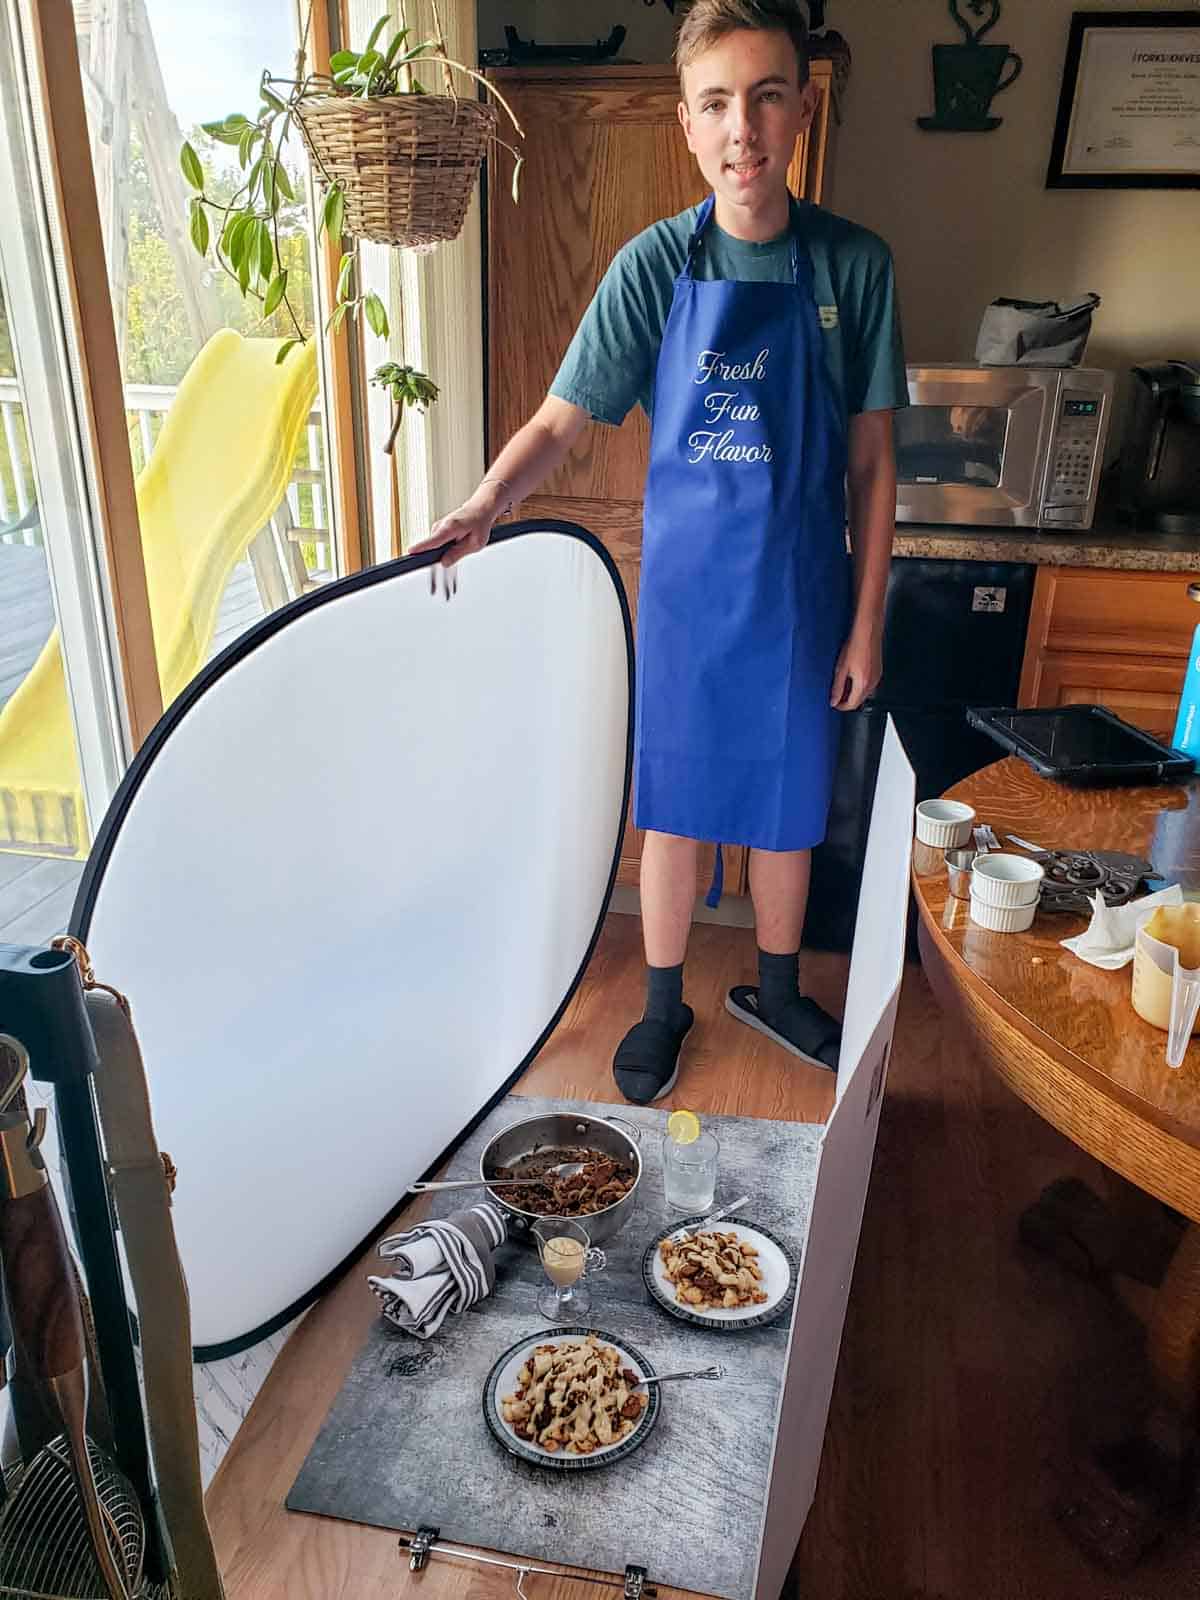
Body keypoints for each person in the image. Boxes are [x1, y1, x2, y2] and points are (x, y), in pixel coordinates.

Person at [408, 0, 907, 1105]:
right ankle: (664, 997)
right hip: (684, 596)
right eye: (719, 103)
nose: (745, 129)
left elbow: (875, 470)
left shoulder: (853, 270)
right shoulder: (650, 269)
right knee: (672, 803)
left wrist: (867, 620)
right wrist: (488, 503)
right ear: (687, 124)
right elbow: (561, 420)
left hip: (799, 595)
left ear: (801, 110)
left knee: (788, 802)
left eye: (767, 96)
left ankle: (776, 989)